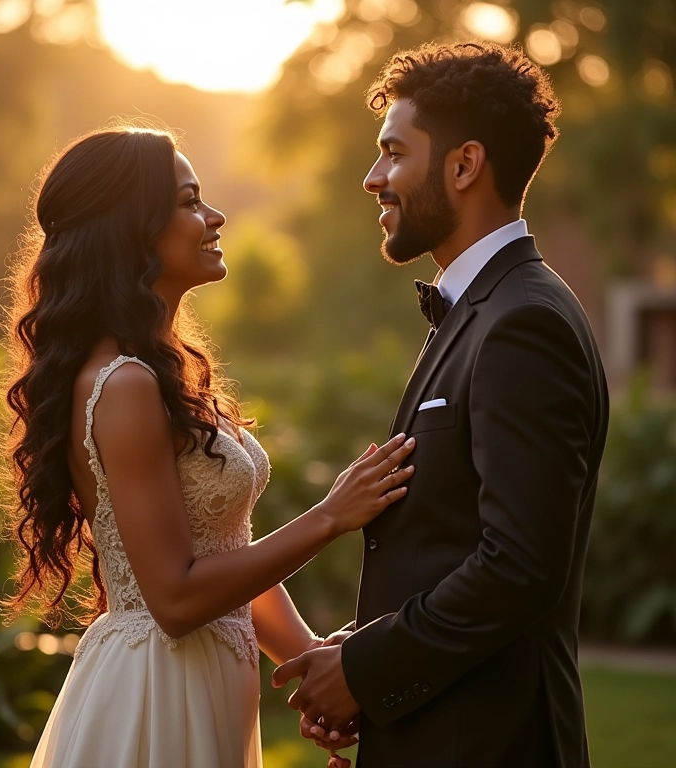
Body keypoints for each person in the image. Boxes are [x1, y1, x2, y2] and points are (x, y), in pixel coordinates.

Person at [0, 125, 417, 768]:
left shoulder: (159, 374)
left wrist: (310, 665)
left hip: (207, 684)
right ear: (131, 229)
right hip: (155, 693)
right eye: (190, 201)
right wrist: (331, 516)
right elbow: (175, 597)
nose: (214, 216)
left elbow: (224, 550)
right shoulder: (125, 385)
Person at [273, 42, 609, 768]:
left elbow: (519, 566)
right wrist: (362, 657)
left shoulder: (524, 323)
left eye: (393, 153)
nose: (373, 178)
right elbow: (448, 540)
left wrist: (365, 672)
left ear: (463, 166)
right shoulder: (482, 312)